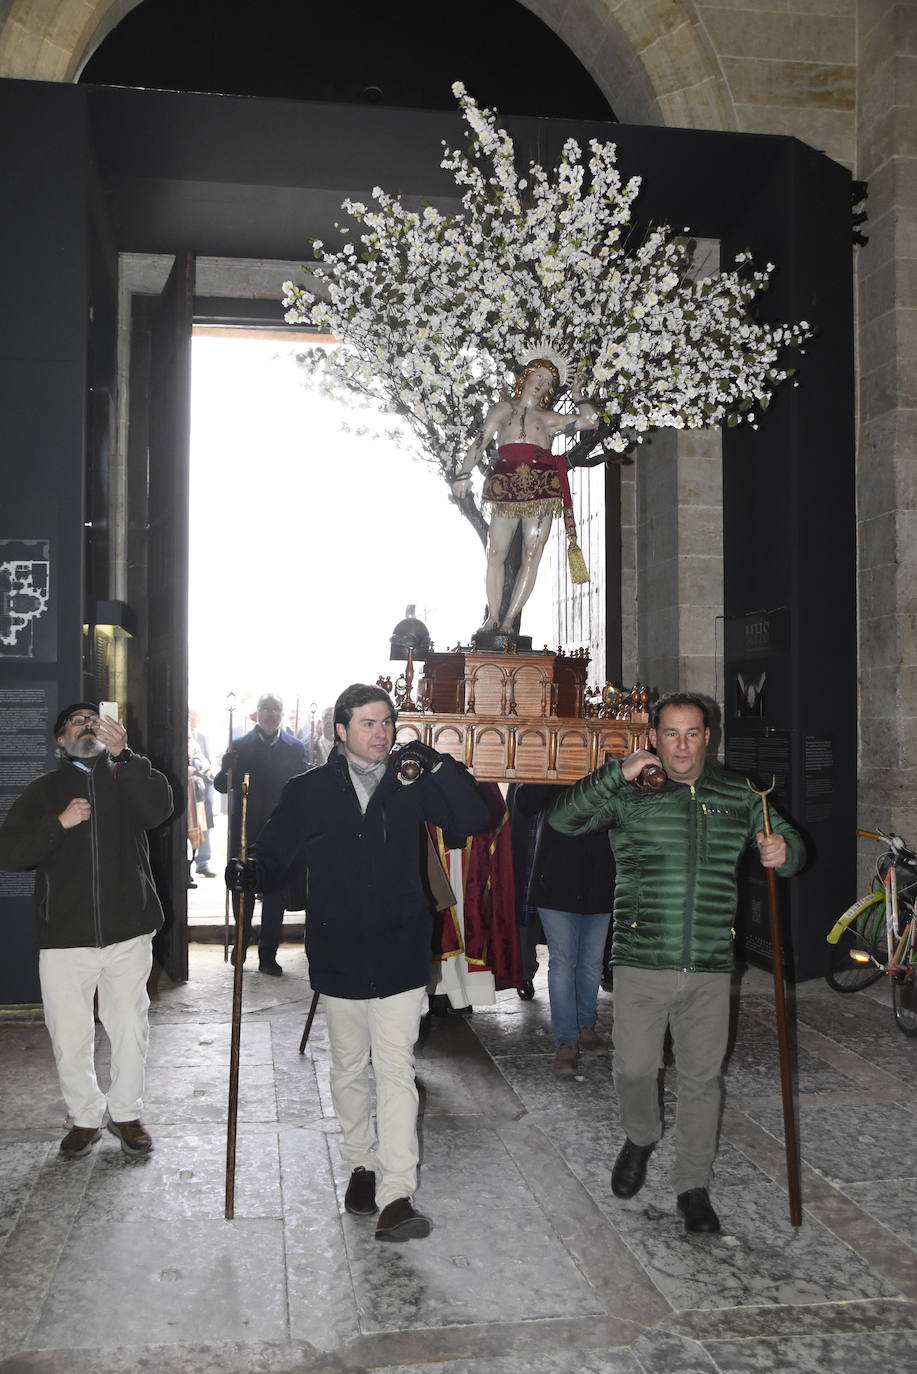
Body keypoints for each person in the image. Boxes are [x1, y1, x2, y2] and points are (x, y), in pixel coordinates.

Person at [226, 683, 490, 1242]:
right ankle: (362, 1163)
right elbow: (273, 855)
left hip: (399, 946)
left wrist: (438, 764)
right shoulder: (310, 790)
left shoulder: (411, 783)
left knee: (396, 1068)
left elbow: (474, 818)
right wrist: (250, 871)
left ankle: (397, 1193)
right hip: (339, 946)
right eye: (368, 724)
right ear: (340, 731)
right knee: (348, 1067)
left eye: (387, 723)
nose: (382, 734)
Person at [548, 692, 805, 1234]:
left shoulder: (740, 793)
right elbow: (564, 822)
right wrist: (616, 773)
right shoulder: (634, 790)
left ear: (708, 736)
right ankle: (641, 1136)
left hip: (711, 963)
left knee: (702, 1080)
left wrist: (786, 851)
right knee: (635, 1068)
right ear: (654, 737)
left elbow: (790, 843)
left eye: (692, 733)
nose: (682, 746)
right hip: (642, 959)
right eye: (671, 733)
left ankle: (693, 1186)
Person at [0, 701, 172, 1159]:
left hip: (127, 930)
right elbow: (10, 852)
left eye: (94, 719)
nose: (87, 725)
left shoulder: (126, 775)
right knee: (69, 1032)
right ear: (60, 739)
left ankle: (126, 1113)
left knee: (130, 1025)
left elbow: (159, 809)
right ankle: (84, 1117)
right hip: (64, 937)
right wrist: (59, 823)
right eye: (77, 721)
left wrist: (126, 757)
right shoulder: (44, 791)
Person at [449, 349, 598, 632]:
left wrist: (578, 393)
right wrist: (462, 475)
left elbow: (591, 421)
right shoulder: (503, 409)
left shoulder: (551, 419)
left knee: (532, 553)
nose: (541, 383)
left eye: (548, 381)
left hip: (541, 484)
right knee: (495, 551)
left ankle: (508, 622)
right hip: (505, 482)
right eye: (537, 376)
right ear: (526, 377)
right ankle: (492, 616)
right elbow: (480, 443)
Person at [513, 784, 614, 1077]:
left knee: (591, 964)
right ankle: (566, 1041)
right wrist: (556, 773)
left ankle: (585, 1026)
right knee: (562, 963)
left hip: (600, 879)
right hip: (556, 877)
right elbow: (526, 801)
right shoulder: (556, 761)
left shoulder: (614, 759)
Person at [213, 692, 308, 975]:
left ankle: (269, 954)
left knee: (276, 893)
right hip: (245, 829)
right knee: (243, 889)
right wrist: (225, 767)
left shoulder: (295, 747)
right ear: (257, 712)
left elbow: (302, 787)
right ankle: (240, 945)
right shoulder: (240, 745)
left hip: (280, 832)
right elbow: (221, 785)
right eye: (265, 708)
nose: (270, 713)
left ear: (282, 714)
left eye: (275, 708)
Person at [188, 709, 217, 878]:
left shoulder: (201, 738)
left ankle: (203, 862)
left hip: (202, 787)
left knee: (204, 825)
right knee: (190, 825)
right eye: (193, 716)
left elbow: (207, 759)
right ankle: (187, 866)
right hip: (188, 786)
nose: (196, 719)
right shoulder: (183, 735)